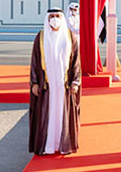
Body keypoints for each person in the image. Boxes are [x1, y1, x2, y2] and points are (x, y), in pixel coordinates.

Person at [29, 8, 81, 155]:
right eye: (51, 16)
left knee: (63, 112)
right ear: (47, 18)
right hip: (47, 84)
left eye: (57, 16)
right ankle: (48, 145)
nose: (54, 19)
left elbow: (76, 61)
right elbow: (34, 61)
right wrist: (34, 82)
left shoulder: (70, 37)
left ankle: (63, 144)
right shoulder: (41, 37)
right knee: (47, 112)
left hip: (64, 84)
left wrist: (75, 82)